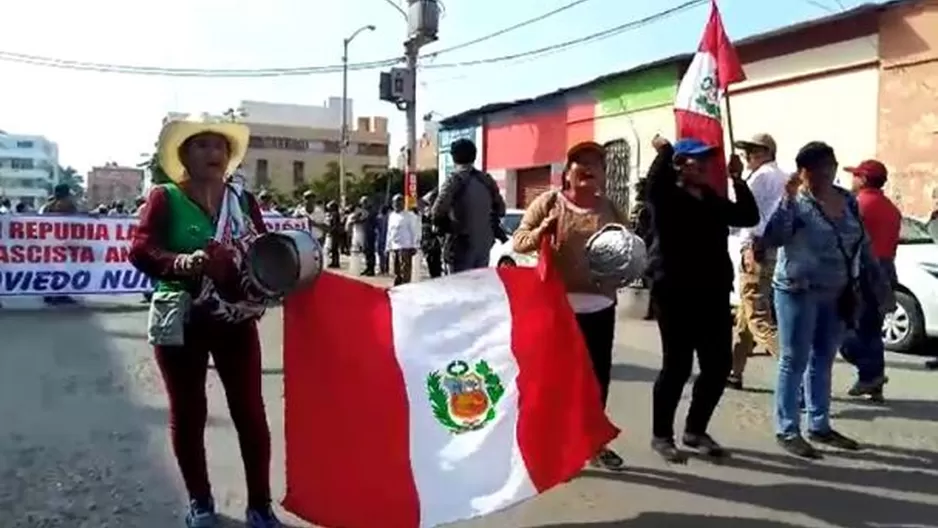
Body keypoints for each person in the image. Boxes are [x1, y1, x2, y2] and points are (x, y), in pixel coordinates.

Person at [128, 116, 281, 527]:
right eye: (202, 146)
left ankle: (260, 507)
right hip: (181, 317)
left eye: (219, 147)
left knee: (250, 412)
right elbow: (141, 249)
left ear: (229, 157)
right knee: (188, 411)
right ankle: (201, 503)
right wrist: (180, 262)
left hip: (234, 319)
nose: (213, 154)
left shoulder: (243, 201)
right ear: (184, 156)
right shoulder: (164, 198)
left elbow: (265, 251)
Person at [762, 141, 885, 459]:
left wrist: (876, 281)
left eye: (829, 165)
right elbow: (775, 237)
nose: (826, 173)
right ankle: (787, 428)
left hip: (838, 291)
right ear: (803, 171)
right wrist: (787, 199)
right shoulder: (796, 202)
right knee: (793, 360)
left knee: (823, 360)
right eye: (817, 168)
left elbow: (862, 241)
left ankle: (819, 424)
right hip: (798, 290)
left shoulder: (846, 200)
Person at [513, 141, 630, 470]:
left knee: (596, 381)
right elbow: (519, 242)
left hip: (601, 307)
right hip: (559, 309)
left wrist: (625, 267)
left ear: (604, 175)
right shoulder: (550, 202)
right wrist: (541, 231)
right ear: (567, 173)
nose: (589, 168)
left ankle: (595, 443)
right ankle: (551, 445)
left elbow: (627, 251)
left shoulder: (611, 209)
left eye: (597, 163)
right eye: (581, 162)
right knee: (556, 380)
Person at [645, 135, 758, 462]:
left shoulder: (710, 198)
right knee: (677, 366)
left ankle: (695, 429)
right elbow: (654, 184)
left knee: (718, 365)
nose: (707, 165)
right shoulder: (667, 195)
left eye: (708, 160)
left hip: (712, 291)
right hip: (674, 292)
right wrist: (665, 152)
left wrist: (739, 180)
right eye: (699, 160)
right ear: (680, 164)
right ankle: (661, 435)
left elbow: (747, 217)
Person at [728, 133, 788, 390]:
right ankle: (734, 371)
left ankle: (796, 370)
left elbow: (742, 210)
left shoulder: (761, 177)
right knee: (746, 313)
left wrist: (736, 180)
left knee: (758, 316)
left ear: (764, 153)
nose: (747, 157)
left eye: (751, 152)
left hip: (754, 246)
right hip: (771, 247)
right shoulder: (783, 177)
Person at [840, 159, 900, 400]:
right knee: (873, 331)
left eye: (855, 175)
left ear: (863, 179)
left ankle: (870, 373)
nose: (851, 180)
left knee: (846, 331)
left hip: (864, 270)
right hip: (887, 270)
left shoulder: (857, 205)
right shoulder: (891, 208)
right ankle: (874, 385)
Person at [431, 138, 506, 273]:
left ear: (454, 158)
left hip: (460, 245)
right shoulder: (486, 180)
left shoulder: (453, 180)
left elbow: (437, 212)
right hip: (484, 244)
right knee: (478, 286)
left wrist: (445, 226)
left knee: (458, 289)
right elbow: (501, 209)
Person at [385, 194, 421, 285]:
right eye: (395, 202)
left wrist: (415, 246)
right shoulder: (392, 216)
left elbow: (414, 231)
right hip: (394, 246)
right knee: (396, 268)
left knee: (405, 269)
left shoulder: (409, 215)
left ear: (403, 203)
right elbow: (389, 232)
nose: (396, 204)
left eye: (399, 202)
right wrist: (388, 247)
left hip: (405, 246)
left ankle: (405, 285)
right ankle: (398, 284)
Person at [420, 190, 444, 278]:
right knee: (432, 267)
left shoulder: (437, 213)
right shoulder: (425, 214)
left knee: (436, 269)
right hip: (428, 245)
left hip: (435, 245)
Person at [376, 204, 391, 275]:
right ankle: (386, 269)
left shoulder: (379, 218)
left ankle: (382, 269)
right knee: (386, 254)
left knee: (380, 254)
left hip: (380, 237)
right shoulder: (389, 218)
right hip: (387, 238)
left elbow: (376, 228)